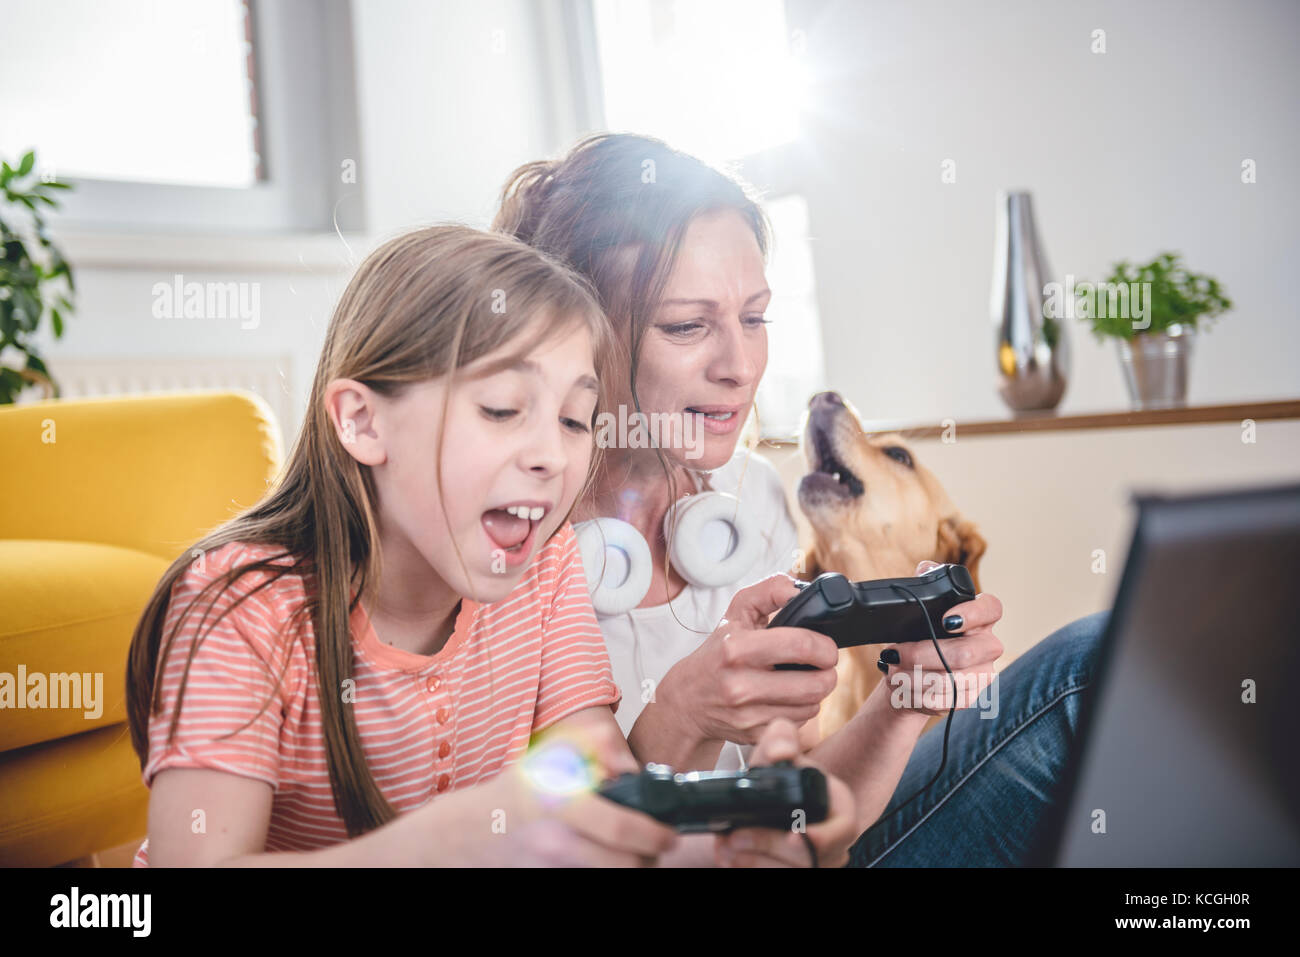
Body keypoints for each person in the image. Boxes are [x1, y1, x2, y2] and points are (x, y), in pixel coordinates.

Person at [125, 223, 858, 867]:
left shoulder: (544, 570)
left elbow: (596, 796)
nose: (551, 454)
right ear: (362, 421)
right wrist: (445, 844)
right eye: (503, 408)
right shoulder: (241, 606)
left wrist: (733, 837)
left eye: (576, 419)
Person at [493, 133, 1109, 867]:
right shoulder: (504, 541)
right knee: (1083, 670)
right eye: (688, 325)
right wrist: (681, 716)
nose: (740, 365)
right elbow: (544, 847)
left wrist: (903, 703)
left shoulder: (748, 499)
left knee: (1097, 660)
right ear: (577, 334)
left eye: (754, 318)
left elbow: (804, 817)